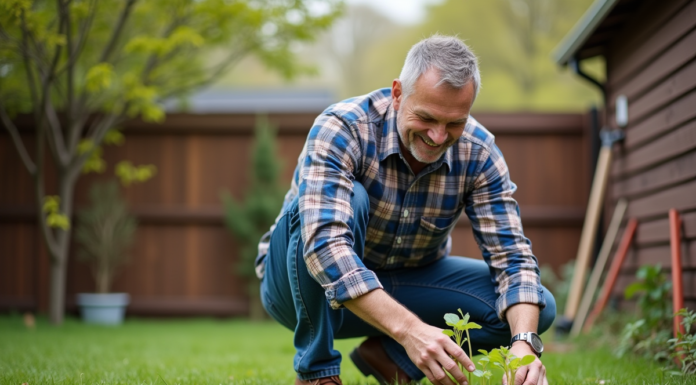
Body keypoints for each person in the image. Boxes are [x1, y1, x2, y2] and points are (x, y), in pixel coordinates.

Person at [256, 35, 556, 385]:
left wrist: (523, 344)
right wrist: (411, 329)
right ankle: (317, 372)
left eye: (455, 123)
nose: (439, 136)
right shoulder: (343, 127)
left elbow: (513, 259)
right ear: (398, 94)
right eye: (427, 117)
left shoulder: (480, 153)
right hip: (300, 292)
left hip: (405, 280)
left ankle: (389, 359)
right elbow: (324, 246)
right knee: (343, 201)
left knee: (537, 307)